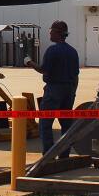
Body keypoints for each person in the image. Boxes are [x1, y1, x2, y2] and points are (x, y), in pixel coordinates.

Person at [26, 20, 79, 156]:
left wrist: (29, 62)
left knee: (45, 123)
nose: (49, 33)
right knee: (66, 124)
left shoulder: (52, 50)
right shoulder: (73, 52)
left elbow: (43, 69)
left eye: (51, 31)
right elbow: (76, 75)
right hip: (70, 90)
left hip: (54, 90)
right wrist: (72, 92)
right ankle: (64, 154)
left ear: (57, 33)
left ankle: (48, 154)